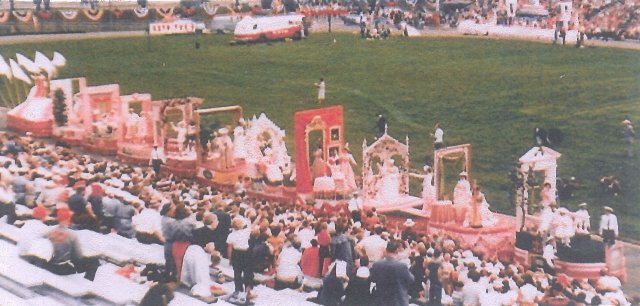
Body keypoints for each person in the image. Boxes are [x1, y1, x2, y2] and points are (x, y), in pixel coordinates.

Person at [41, 207, 101, 281]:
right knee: (94, 261)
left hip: (49, 265)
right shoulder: (72, 235)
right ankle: (86, 283)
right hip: (63, 268)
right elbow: (78, 256)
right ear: (68, 218)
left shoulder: (48, 233)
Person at [369, 240, 415, 306]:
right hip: (398, 300)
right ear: (397, 250)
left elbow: (373, 279)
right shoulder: (402, 266)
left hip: (382, 300)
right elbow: (411, 279)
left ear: (386, 249)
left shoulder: (377, 265)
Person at [227, 217, 256, 302]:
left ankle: (238, 290)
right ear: (240, 225)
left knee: (237, 273)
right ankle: (248, 291)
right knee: (248, 272)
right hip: (245, 254)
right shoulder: (245, 232)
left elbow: (229, 248)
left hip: (236, 254)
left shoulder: (231, 235)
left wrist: (230, 259)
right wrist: (259, 217)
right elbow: (253, 225)